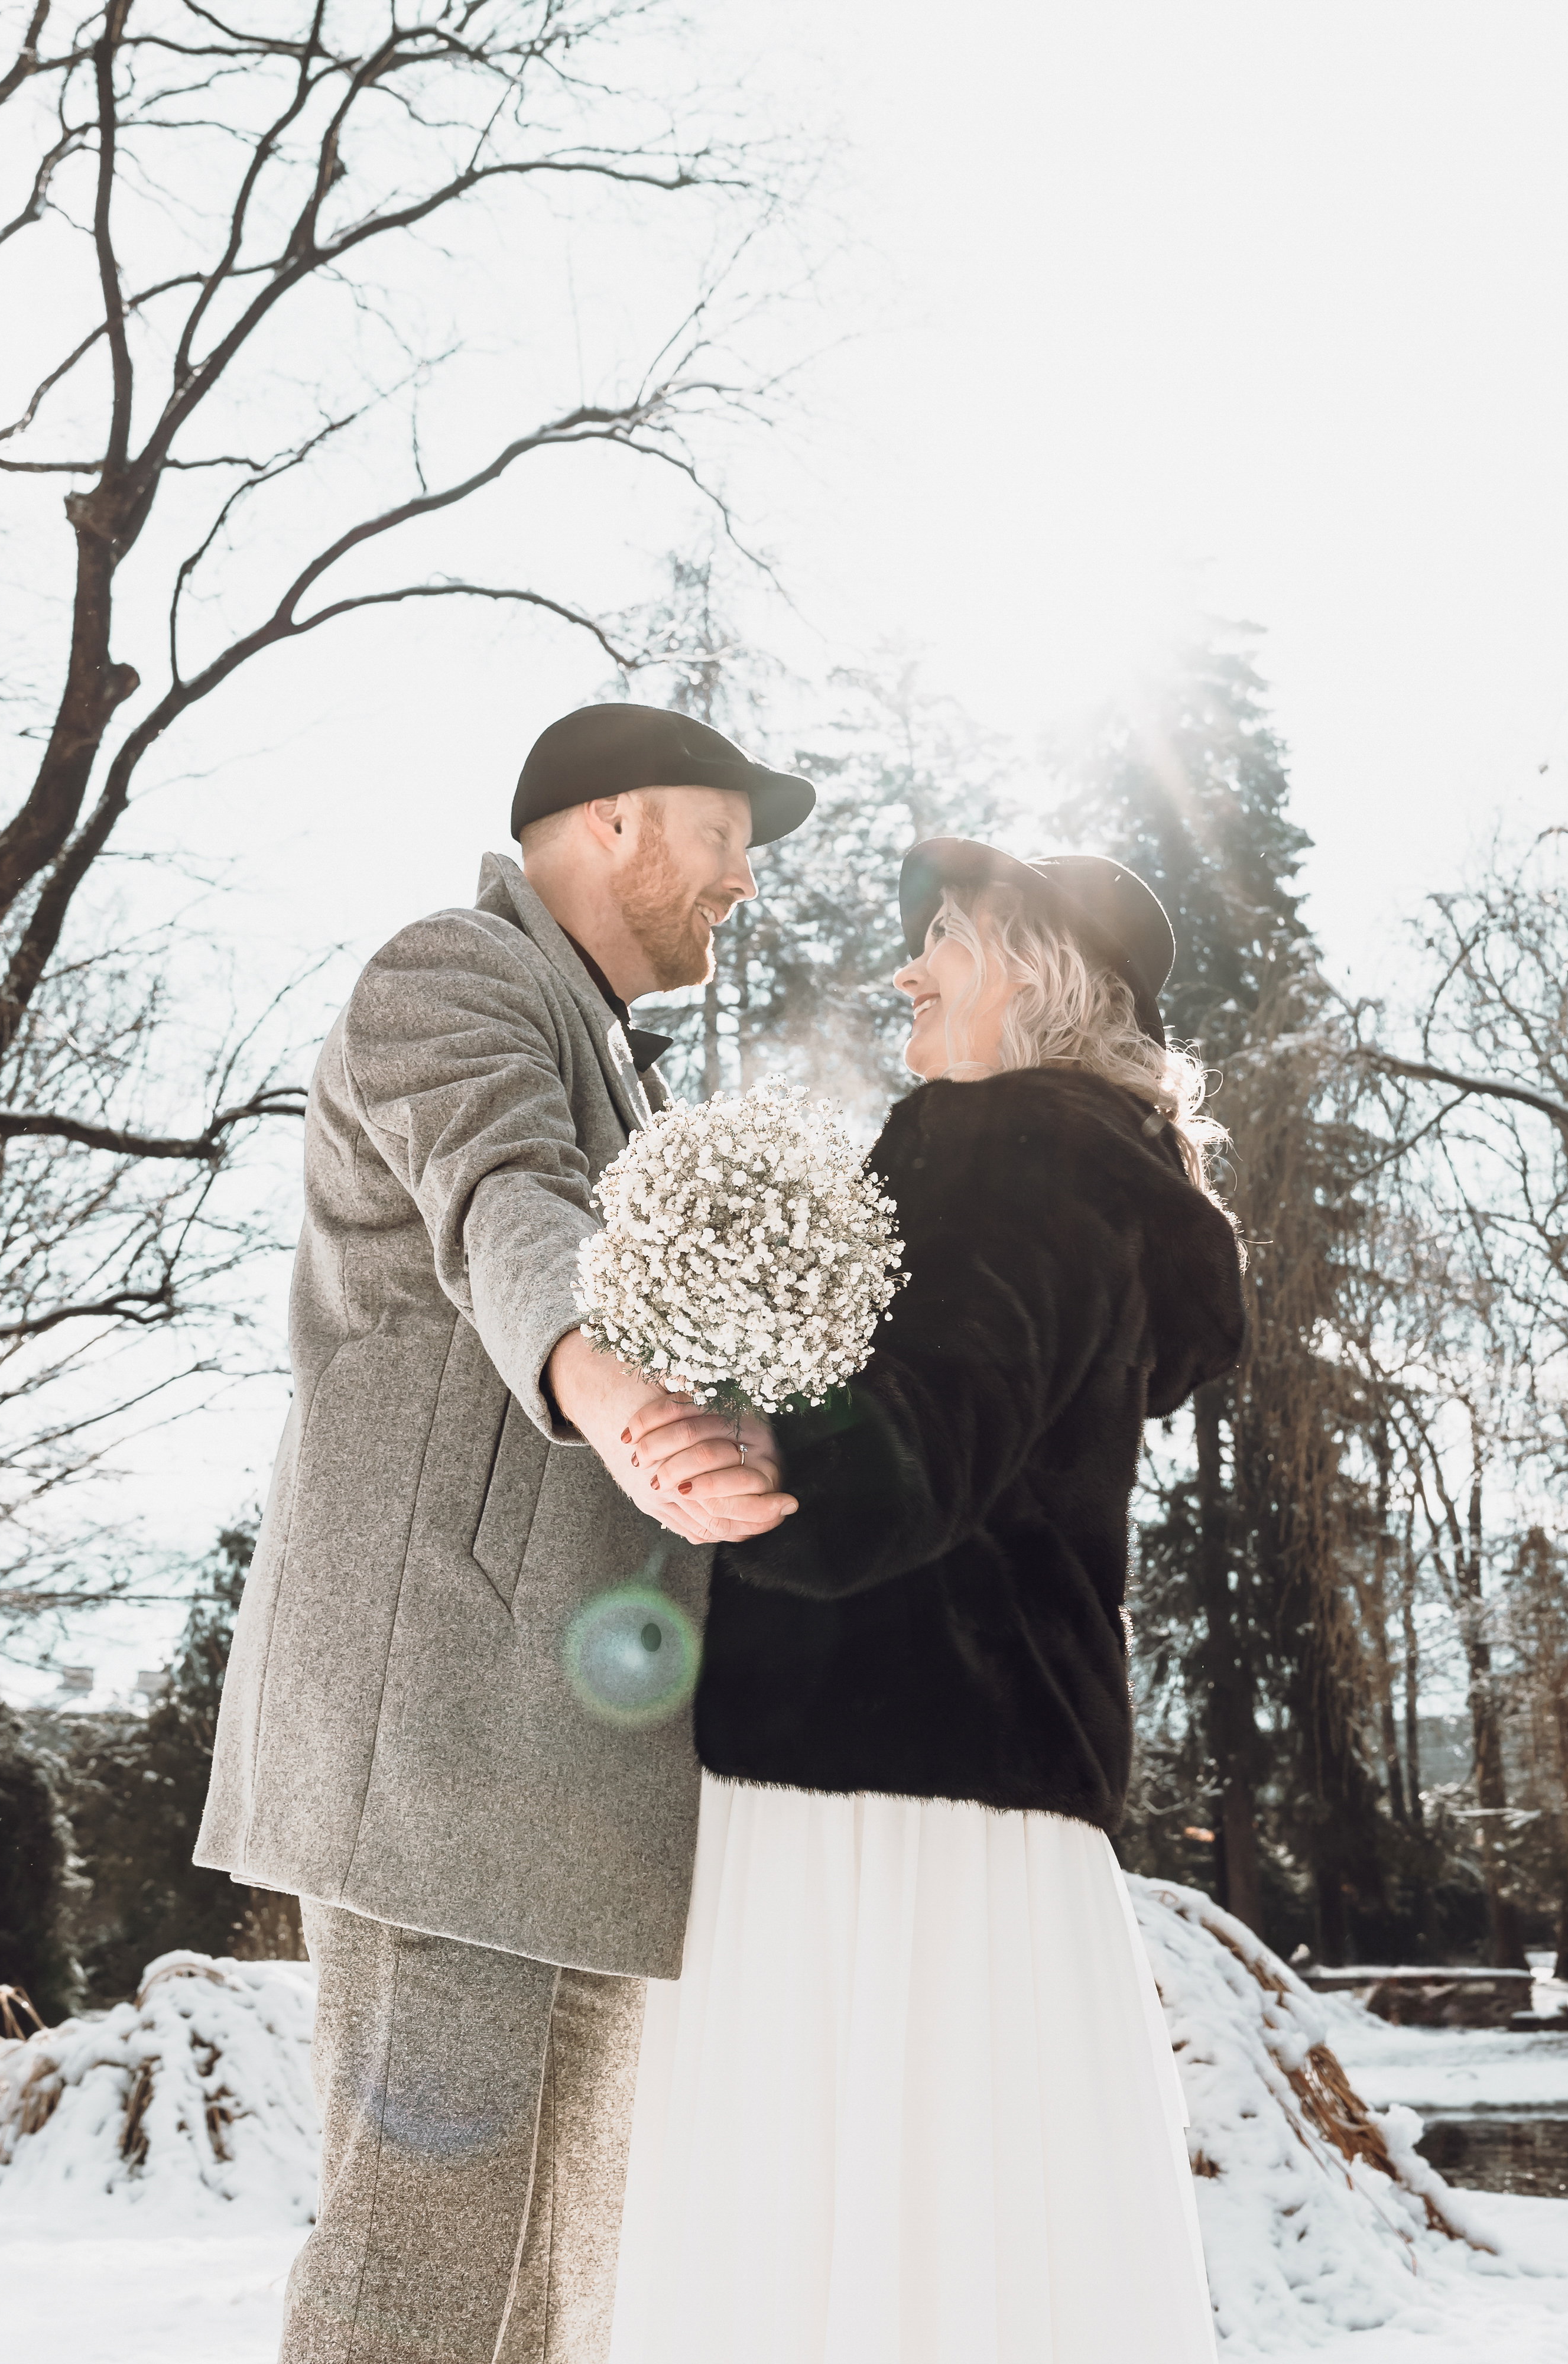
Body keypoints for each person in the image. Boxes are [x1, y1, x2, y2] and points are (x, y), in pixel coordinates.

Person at [195, 703, 806, 2363]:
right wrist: (622, 1403)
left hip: (568, 1761)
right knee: (433, 2254)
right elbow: (501, 1202)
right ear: (611, 824)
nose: (748, 878)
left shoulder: (615, 1048)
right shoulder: (453, 973)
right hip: (449, 1730)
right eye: (726, 829)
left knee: (550, 2276)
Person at [606, 837, 1246, 2364]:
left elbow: (948, 1413)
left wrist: (770, 1461)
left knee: (815, 2246)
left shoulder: (1002, 1145)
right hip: (1002, 1812)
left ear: (1036, 973)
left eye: (943, 939)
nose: (907, 969)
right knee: (975, 2254)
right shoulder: (1098, 1172)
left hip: (869, 1794)